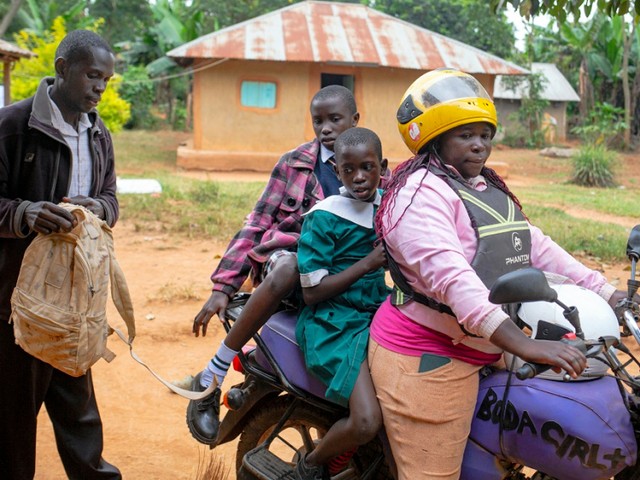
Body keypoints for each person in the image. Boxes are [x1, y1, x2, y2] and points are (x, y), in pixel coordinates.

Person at [367, 68, 630, 480]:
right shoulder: (418, 195)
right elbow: (454, 279)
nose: (479, 145)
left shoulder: (482, 187)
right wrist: (524, 345)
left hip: (491, 343)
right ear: (435, 139)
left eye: (485, 134)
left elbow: (533, 245)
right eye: (465, 135)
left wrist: (606, 292)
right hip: (430, 353)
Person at [187, 85, 361, 445]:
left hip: (337, 276)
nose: (325, 128)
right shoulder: (295, 163)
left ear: (355, 120)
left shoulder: (368, 167)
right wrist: (223, 287)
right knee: (289, 266)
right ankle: (211, 375)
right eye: (318, 121)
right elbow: (257, 222)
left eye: (335, 119)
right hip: (286, 263)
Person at [0, 30, 121, 479]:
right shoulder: (12, 126)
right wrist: (27, 213)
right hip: (20, 303)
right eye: (92, 76)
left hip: (76, 299)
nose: (99, 88)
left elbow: (110, 197)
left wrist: (98, 208)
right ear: (61, 68)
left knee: (80, 412)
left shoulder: (98, 133)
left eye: (106, 80)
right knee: (13, 419)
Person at [294, 127, 390, 480]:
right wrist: (368, 263)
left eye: (367, 168)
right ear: (337, 172)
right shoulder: (325, 216)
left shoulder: (390, 207)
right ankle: (310, 465)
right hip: (331, 325)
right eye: (349, 171)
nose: (359, 178)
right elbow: (312, 293)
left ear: (382, 166)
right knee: (366, 421)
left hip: (379, 314)